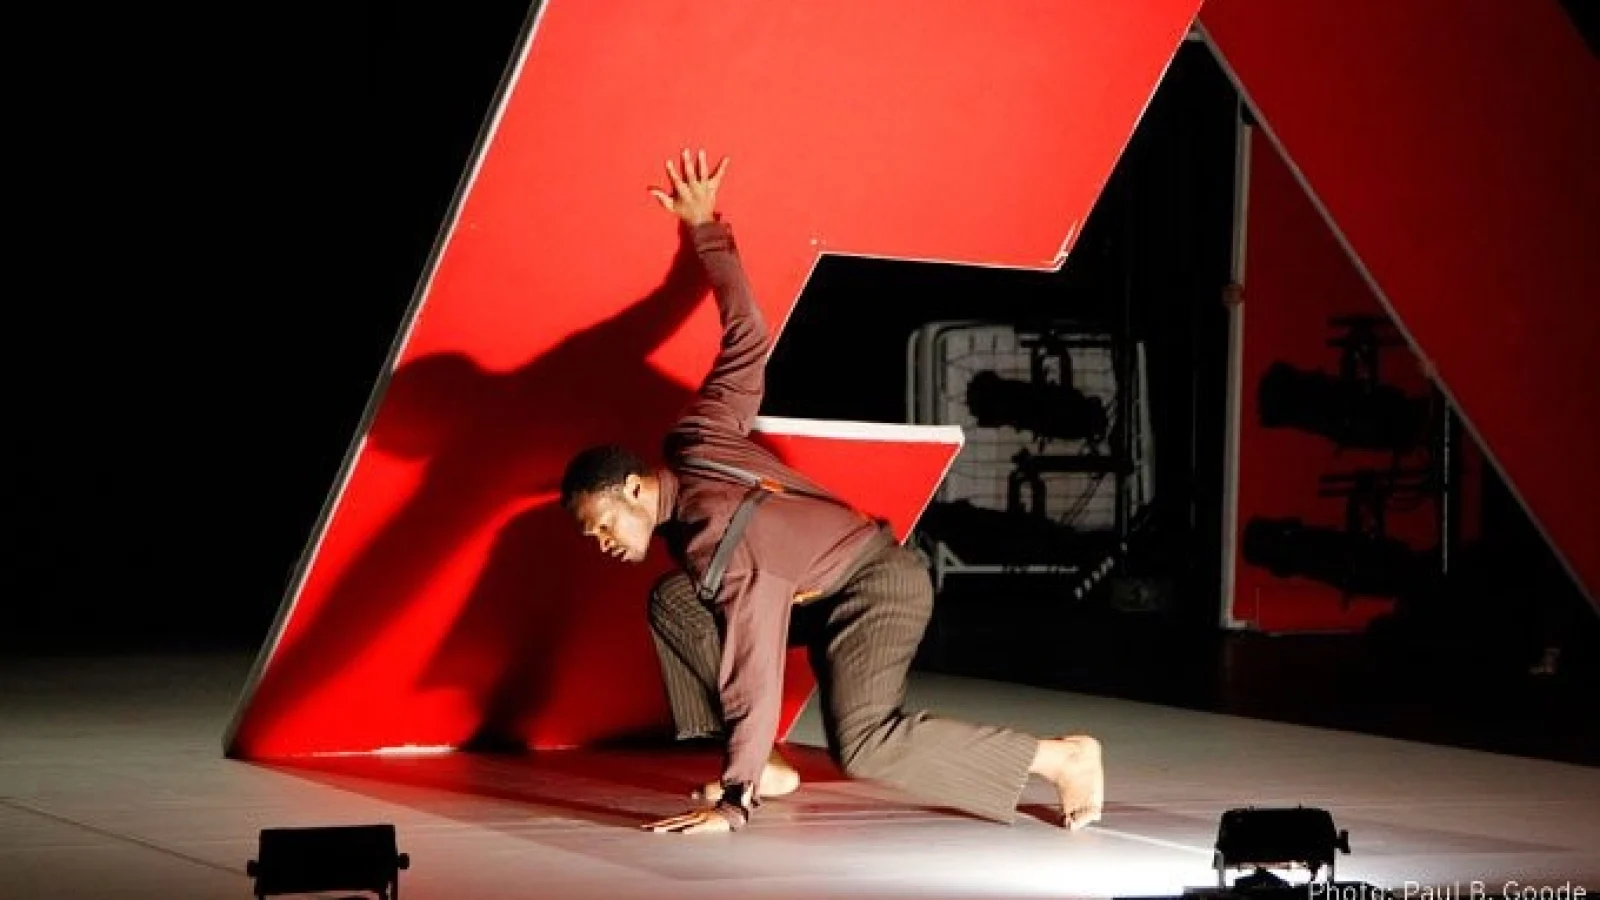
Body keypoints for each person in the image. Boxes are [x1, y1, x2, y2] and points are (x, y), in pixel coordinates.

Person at [560, 148, 1105, 835]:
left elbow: (751, 670)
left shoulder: (718, 538)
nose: (602, 541)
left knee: (866, 743)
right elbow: (746, 341)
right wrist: (705, 229)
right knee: (675, 602)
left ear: (634, 489)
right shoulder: (696, 440)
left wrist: (734, 800)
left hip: (877, 587)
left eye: (601, 523)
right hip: (815, 588)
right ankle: (773, 765)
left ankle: (1061, 758)